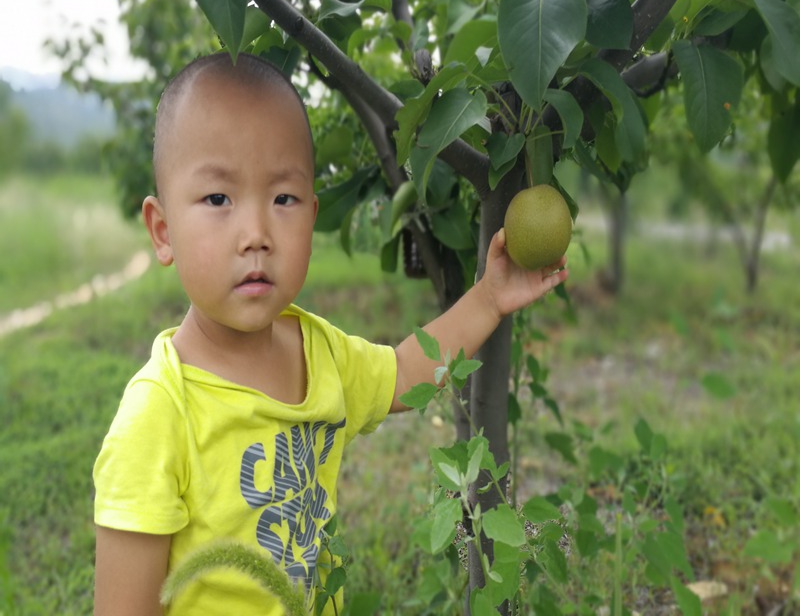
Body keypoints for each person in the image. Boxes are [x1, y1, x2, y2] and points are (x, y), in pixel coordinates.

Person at [92, 52, 568, 616]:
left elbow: (405, 373)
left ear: (312, 219)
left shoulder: (320, 353)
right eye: (218, 199)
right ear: (162, 230)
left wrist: (489, 297)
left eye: (283, 199)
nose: (256, 234)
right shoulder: (158, 416)